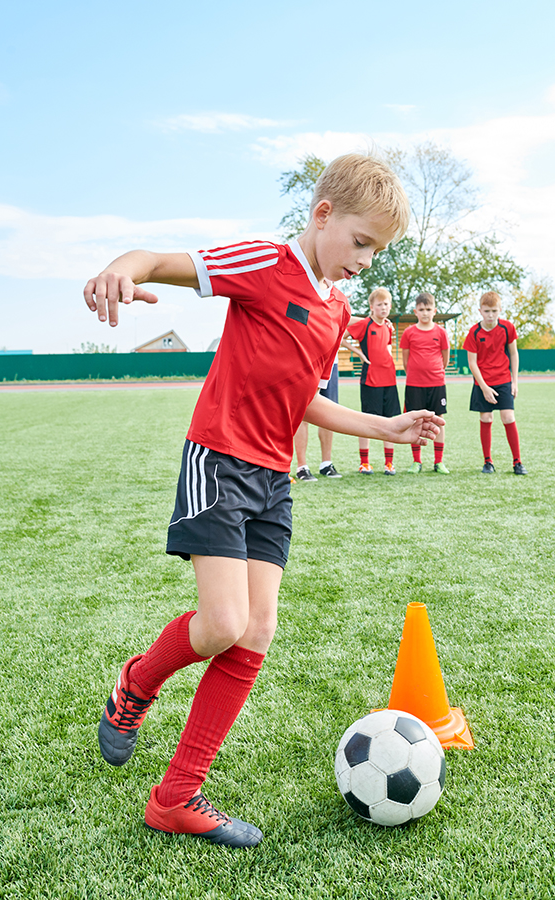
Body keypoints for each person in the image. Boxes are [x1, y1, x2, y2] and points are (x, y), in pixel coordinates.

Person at [83, 153, 445, 849]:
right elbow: (158, 260)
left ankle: (177, 796)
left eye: (379, 251)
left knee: (256, 632)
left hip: (274, 479)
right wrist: (120, 270)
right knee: (222, 623)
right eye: (362, 242)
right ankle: (136, 685)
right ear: (322, 216)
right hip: (218, 458)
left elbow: (305, 397)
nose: (366, 261)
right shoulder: (262, 261)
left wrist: (384, 427)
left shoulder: (336, 309)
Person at [463, 290, 527, 475]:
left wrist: (515, 381)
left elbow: (514, 354)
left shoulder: (508, 328)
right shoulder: (474, 332)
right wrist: (484, 387)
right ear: (480, 311)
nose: (490, 315)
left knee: (508, 417)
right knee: (486, 418)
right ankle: (488, 462)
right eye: (487, 311)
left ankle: (517, 462)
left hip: (503, 380)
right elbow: (472, 363)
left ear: (500, 310)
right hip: (482, 383)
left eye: (494, 311)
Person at [343, 287, 400, 474]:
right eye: (379, 305)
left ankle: (389, 463)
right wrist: (359, 352)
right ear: (371, 307)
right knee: (367, 421)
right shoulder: (365, 324)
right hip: (370, 381)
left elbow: (387, 349)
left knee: (390, 421)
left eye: (386, 304)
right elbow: (341, 337)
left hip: (390, 380)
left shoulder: (388, 326)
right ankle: (364, 462)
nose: (383, 308)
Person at [399, 292, 450, 474]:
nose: (425, 313)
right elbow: (405, 360)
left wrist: (434, 372)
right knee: (415, 421)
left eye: (428, 309)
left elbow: (445, 358)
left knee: (439, 420)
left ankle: (439, 462)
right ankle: (416, 461)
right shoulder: (409, 332)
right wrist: (415, 373)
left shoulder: (441, 332)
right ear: (415, 311)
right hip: (414, 385)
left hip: (436, 383)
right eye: (421, 309)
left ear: (434, 311)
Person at [294, 358, 342, 480]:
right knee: (303, 412)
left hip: (330, 362)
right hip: (307, 360)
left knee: (329, 414)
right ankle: (302, 467)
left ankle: (326, 464)